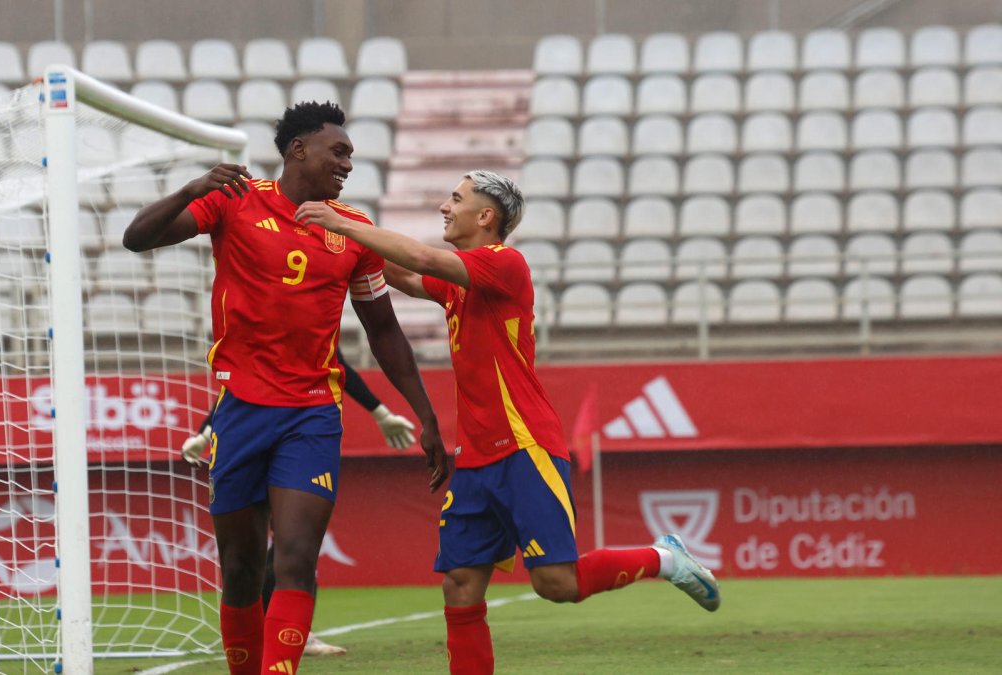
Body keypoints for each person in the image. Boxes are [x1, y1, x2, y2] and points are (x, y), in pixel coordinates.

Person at [296, 170, 720, 674]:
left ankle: (665, 559)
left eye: (456, 199)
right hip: (475, 460)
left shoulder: (505, 263)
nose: (445, 207)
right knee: (460, 584)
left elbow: (422, 259)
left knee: (557, 583)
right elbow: (405, 275)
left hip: (524, 446)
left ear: (485, 216)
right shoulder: (460, 282)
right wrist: (336, 239)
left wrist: (342, 223)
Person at [123, 101, 449, 675]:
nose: (348, 163)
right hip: (240, 410)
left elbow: (383, 330)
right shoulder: (235, 200)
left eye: (350, 155)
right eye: (338, 151)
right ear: (298, 149)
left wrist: (425, 414)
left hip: (312, 414)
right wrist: (192, 188)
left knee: (296, 559)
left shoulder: (353, 229)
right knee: (241, 569)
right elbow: (137, 238)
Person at [181, 347, 417, 657]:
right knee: (256, 554)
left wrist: (380, 413)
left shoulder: (312, 331)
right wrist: (205, 432)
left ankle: (290, 631)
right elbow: (240, 384)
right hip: (250, 436)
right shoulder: (254, 338)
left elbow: (338, 365)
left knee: (295, 545)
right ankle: (266, 627)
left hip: (301, 433)